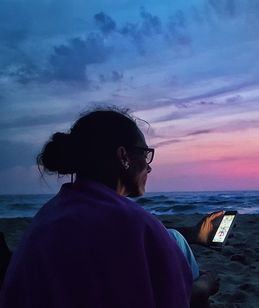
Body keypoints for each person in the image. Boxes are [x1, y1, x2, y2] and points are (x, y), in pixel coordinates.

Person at [0, 108, 220, 308]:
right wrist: (203, 287)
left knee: (174, 237)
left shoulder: (50, 215)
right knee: (177, 246)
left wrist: (191, 234)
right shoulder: (134, 222)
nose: (149, 166)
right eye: (145, 154)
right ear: (124, 157)